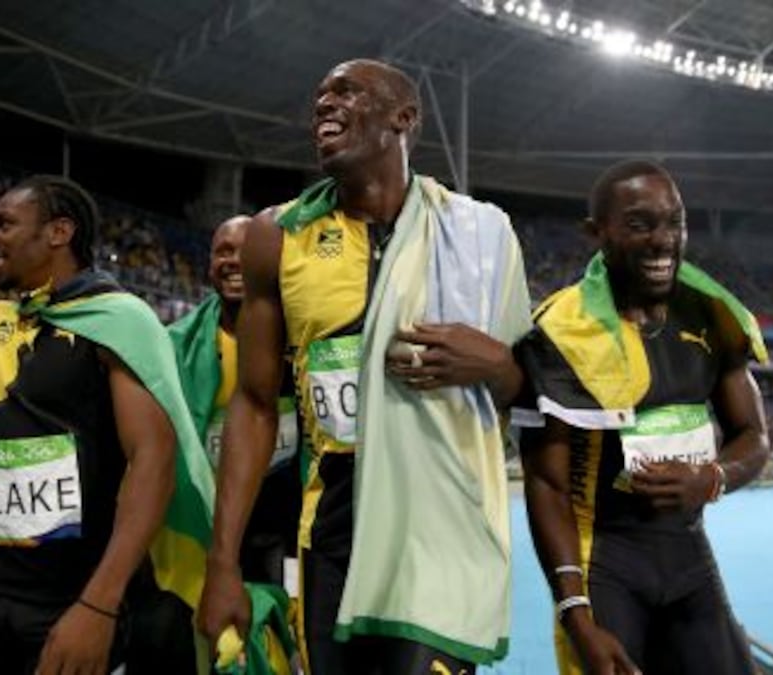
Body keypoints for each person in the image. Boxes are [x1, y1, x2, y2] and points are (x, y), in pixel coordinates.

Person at [198, 59, 533, 674]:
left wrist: (495, 362)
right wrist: (222, 565)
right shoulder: (278, 236)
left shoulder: (480, 236)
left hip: (441, 517)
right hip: (334, 523)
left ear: (403, 119)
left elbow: (530, 400)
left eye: (346, 92)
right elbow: (252, 403)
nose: (324, 105)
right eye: (319, 96)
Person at [0, 175, 212, 675]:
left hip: (77, 595)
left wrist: (99, 605)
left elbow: (153, 461)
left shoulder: (120, 320)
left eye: (5, 224)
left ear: (58, 232)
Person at [515, 160, 769, 675]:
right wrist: (575, 614)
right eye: (639, 224)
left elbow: (754, 435)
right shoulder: (562, 332)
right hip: (605, 566)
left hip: (688, 556)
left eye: (674, 222)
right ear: (597, 233)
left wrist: (712, 477)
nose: (663, 240)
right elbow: (546, 483)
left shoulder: (711, 314)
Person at [129, 215, 300, 673]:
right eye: (223, 250)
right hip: (189, 532)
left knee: (261, 650)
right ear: (208, 266)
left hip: (270, 531)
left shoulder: (303, 347)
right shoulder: (171, 349)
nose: (234, 260)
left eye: (246, 250)